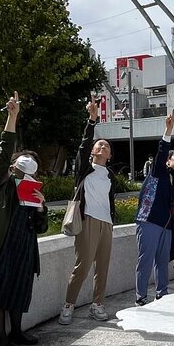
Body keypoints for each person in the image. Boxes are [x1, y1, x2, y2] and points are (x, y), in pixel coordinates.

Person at [0, 92, 48, 346]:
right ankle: (1, 341)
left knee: (19, 290)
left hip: (23, 246)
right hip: (0, 245)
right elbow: (4, 148)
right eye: (21, 161)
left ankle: (16, 331)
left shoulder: (31, 189)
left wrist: (40, 207)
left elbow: (41, 228)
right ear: (12, 165)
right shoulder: (0, 180)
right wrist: (12, 116)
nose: (27, 166)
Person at [59, 95, 117, 325]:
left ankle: (97, 304)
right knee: (83, 266)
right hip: (88, 220)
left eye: (107, 146)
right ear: (93, 151)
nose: (103, 146)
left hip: (106, 223)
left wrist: (111, 220)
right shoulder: (85, 169)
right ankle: (68, 305)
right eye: (99, 144)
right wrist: (91, 121)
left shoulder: (110, 174)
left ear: (110, 155)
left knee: (102, 267)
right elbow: (83, 146)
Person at [134, 110, 174, 305]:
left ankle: (162, 294)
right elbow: (161, 153)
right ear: (168, 161)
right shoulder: (159, 171)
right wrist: (168, 131)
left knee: (162, 262)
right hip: (149, 221)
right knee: (146, 260)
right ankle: (141, 297)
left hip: (166, 226)